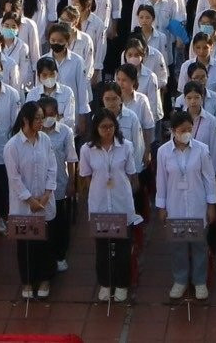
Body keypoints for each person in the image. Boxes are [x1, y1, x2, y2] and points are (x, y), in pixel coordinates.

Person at [79, 106, 142, 302]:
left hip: (121, 202)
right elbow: (86, 177)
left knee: (123, 248)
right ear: (96, 128)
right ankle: (105, 284)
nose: (108, 130)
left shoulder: (126, 146)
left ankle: (122, 284)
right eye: (103, 127)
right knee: (102, 248)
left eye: (111, 126)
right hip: (99, 204)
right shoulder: (87, 149)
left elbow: (131, 175)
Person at [156, 109, 216, 301]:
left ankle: (200, 281)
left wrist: (211, 204)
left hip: (197, 204)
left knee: (199, 244)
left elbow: (209, 178)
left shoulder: (201, 149)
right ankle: (180, 280)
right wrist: (162, 206)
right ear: (173, 130)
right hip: (175, 205)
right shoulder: (163, 151)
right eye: (183, 130)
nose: (187, 133)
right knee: (178, 246)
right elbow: (161, 180)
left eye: (190, 129)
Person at [3, 99, 58, 298]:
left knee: (45, 243)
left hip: (44, 202)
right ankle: (27, 282)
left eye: (42, 118)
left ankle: (44, 280)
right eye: (37, 119)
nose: (41, 122)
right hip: (23, 206)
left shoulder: (45, 139)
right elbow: (14, 178)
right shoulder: (12, 146)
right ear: (25, 120)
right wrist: (30, 200)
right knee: (25, 246)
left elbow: (52, 167)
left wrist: (46, 195)